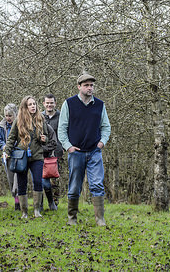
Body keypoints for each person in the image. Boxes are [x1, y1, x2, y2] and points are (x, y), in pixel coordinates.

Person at [57, 74, 111, 226]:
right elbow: (62, 128)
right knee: (74, 186)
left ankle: (100, 219)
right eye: (86, 85)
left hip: (94, 151)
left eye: (91, 85)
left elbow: (106, 126)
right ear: (79, 86)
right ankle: (72, 218)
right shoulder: (69, 104)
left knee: (97, 184)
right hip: (76, 152)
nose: (89, 88)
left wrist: (102, 142)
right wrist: (68, 146)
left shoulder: (100, 105)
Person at [3, 96, 56, 219]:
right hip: (21, 156)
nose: (33, 106)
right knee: (22, 183)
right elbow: (11, 138)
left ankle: (37, 210)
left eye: (34, 104)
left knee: (38, 181)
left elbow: (47, 137)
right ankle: (24, 212)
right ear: (25, 107)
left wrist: (45, 139)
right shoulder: (18, 120)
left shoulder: (41, 119)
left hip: (37, 155)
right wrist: (7, 151)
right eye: (30, 104)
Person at [0, 103, 19, 210]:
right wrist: (3, 146)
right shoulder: (1, 126)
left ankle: (19, 202)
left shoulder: (20, 124)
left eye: (10, 115)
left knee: (17, 181)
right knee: (11, 181)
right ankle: (16, 202)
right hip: (7, 156)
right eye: (6, 115)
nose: (8, 118)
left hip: (19, 156)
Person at [42, 94, 63, 210]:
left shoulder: (61, 116)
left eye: (51, 103)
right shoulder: (39, 117)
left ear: (55, 104)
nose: (49, 105)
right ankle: (43, 202)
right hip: (43, 153)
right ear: (44, 104)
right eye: (47, 103)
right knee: (43, 178)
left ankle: (55, 203)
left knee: (55, 179)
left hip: (57, 152)